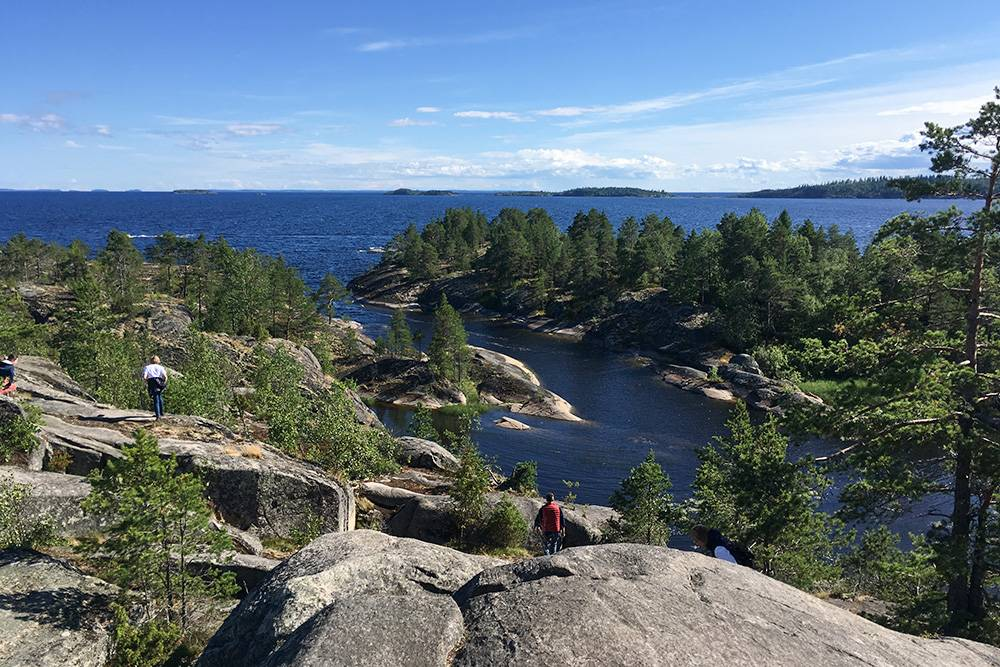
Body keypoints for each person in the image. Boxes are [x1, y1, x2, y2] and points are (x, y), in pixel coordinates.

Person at [690, 524, 755, 568]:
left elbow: (734, 567)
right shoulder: (717, 540)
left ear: (702, 538)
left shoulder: (718, 549)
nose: (696, 543)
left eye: (696, 540)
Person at [141, 355, 168, 419]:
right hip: (159, 382)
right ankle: (161, 412)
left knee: (155, 398)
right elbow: (165, 376)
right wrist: (164, 383)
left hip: (152, 382)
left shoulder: (147, 367)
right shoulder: (161, 367)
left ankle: (158, 415)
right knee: (159, 396)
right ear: (158, 360)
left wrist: (146, 383)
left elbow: (145, 376)